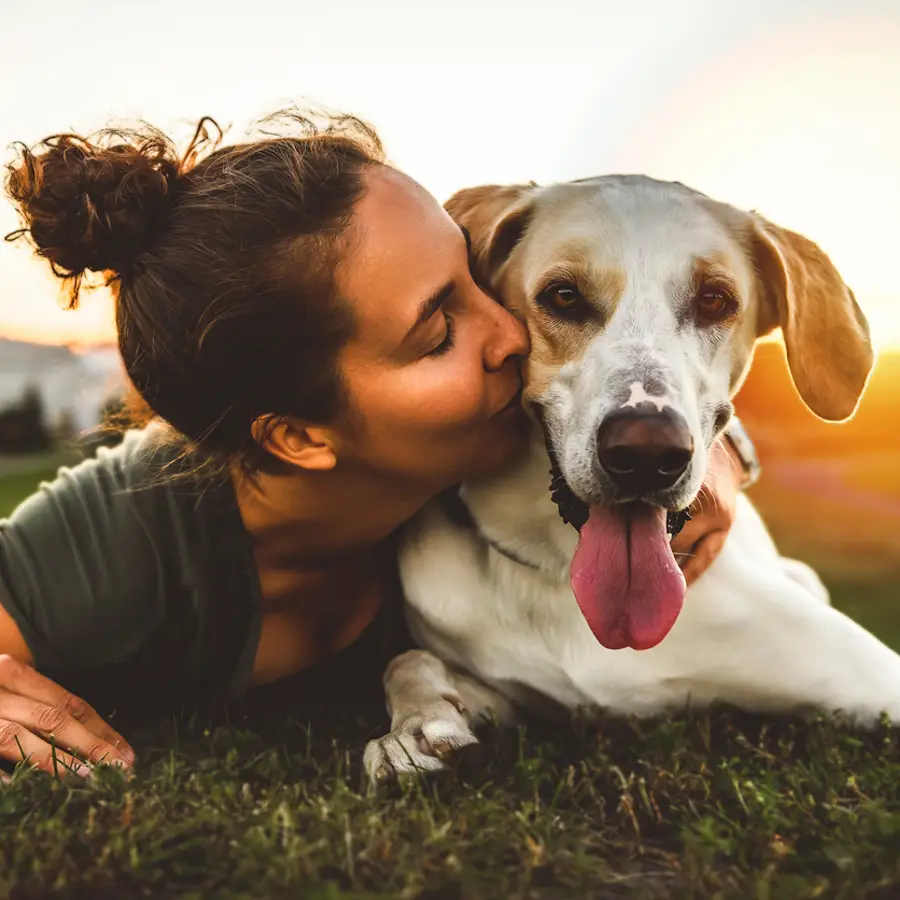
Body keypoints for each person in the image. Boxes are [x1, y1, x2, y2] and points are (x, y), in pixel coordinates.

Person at [0, 112, 752, 778]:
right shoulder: (124, 547)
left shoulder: (484, 433)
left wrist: (720, 442)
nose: (512, 331)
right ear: (297, 437)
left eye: (474, 277)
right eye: (438, 335)